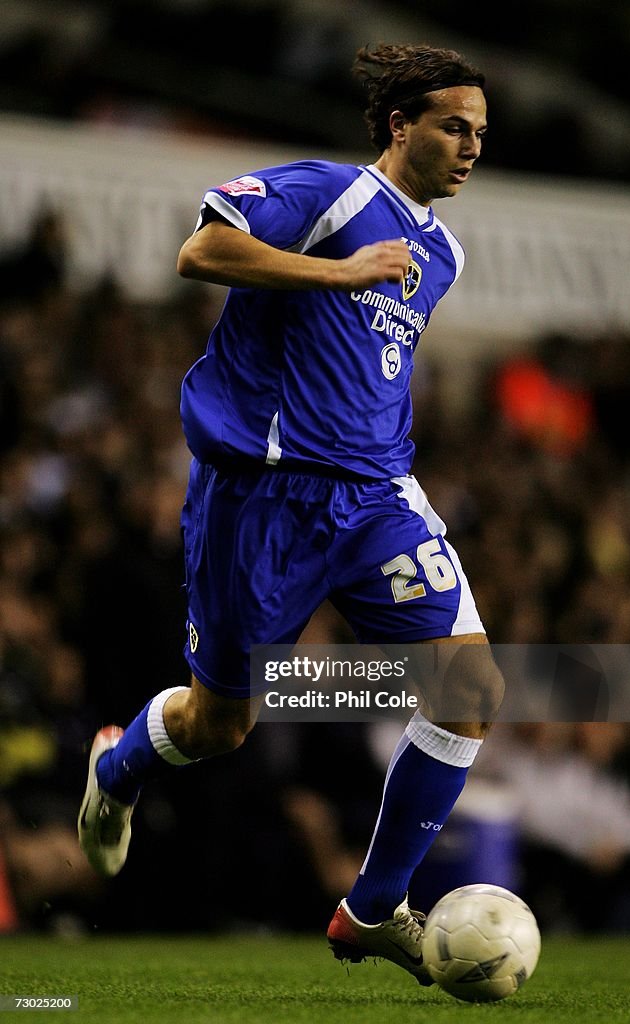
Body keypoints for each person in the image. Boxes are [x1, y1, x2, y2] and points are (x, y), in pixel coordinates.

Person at [78, 42, 504, 984]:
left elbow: (370, 369)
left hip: (375, 497)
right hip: (261, 501)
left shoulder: (443, 253)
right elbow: (201, 250)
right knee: (219, 726)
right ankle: (118, 770)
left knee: (469, 693)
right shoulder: (329, 194)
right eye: (453, 127)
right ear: (401, 126)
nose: (472, 147)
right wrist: (338, 273)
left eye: (481, 133)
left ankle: (371, 908)